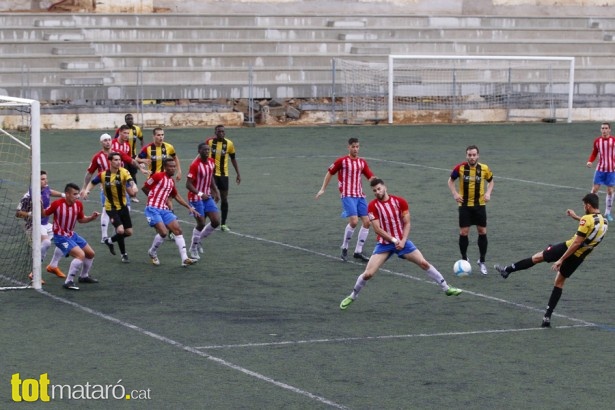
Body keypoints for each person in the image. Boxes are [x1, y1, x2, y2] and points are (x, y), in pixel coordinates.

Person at [340, 179, 462, 310]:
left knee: (424, 263)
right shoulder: (372, 206)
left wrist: (403, 241)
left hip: (402, 242)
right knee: (368, 274)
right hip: (384, 244)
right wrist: (394, 240)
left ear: (385, 187)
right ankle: (353, 296)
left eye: (379, 189)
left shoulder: (400, 201)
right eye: (374, 190)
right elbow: (377, 229)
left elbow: (407, 223)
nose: (377, 192)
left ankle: (446, 288)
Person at [494, 193, 607, 328]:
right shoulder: (604, 222)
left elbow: (576, 243)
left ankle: (507, 270)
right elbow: (589, 226)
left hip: (566, 248)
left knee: (537, 257)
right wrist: (575, 217)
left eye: (584, 206)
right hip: (579, 257)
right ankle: (547, 317)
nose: (584, 208)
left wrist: (561, 259)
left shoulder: (586, 220)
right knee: (559, 283)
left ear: (588, 205)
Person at [316, 137, 375, 262]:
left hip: (360, 195)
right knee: (354, 221)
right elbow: (330, 173)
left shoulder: (362, 162)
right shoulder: (342, 161)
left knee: (367, 222)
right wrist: (323, 189)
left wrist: (379, 187)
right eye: (353, 146)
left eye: (357, 146)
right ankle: (345, 247)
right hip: (347, 195)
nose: (355, 149)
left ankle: (358, 251)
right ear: (348, 147)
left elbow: (370, 176)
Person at [82, 133, 145, 243]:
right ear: (101, 142)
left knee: (126, 207)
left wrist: (141, 169)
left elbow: (131, 161)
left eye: (109, 140)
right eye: (105, 140)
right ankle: (104, 236)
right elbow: (89, 173)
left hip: (121, 186)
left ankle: (118, 229)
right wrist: (84, 188)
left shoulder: (118, 153)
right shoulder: (97, 157)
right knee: (106, 210)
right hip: (106, 188)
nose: (107, 142)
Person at [82, 152, 138, 263]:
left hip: (123, 206)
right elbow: (93, 182)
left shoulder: (124, 172)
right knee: (120, 230)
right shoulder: (103, 175)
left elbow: (130, 180)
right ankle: (124, 254)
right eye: (116, 160)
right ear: (110, 161)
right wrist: (87, 190)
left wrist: (134, 186)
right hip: (111, 208)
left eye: (119, 160)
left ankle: (109, 240)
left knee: (129, 232)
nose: (118, 162)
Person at [142, 157, 198, 267]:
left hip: (164, 209)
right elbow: (144, 187)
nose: (173, 168)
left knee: (178, 230)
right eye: (170, 167)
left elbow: (176, 195)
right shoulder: (157, 176)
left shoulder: (171, 181)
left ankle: (184, 259)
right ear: (165, 167)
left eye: (174, 166)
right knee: (163, 233)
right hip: (152, 208)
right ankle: (152, 252)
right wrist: (152, 197)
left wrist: (189, 207)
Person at [44, 183, 101, 290]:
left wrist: (91, 218)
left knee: (90, 254)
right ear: (67, 194)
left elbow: (81, 220)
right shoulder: (57, 204)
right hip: (60, 237)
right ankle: (68, 282)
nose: (77, 196)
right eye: (74, 194)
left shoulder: (78, 205)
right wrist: (38, 206)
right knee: (80, 255)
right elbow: (44, 214)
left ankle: (84, 276)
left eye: (78, 194)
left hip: (72, 235)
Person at [447, 145, 494, 275]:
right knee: (463, 233)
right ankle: (464, 259)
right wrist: (455, 194)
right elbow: (450, 181)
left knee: (482, 231)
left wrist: (488, 193)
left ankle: (482, 261)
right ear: (466, 155)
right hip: (465, 206)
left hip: (479, 205)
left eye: (474, 155)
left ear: (478, 156)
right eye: (469, 155)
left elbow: (491, 181)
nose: (472, 157)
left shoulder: (484, 168)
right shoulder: (460, 168)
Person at [15, 170, 66, 283]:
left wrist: (63, 195)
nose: (45, 181)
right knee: (47, 243)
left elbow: (50, 191)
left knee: (64, 238)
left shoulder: (45, 188)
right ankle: (35, 272)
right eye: (42, 179)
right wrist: (31, 214)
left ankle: (53, 266)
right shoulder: (29, 196)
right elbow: (18, 213)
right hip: (33, 225)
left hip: (44, 224)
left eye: (45, 178)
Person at [185, 142, 221, 260]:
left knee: (216, 222)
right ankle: (193, 248)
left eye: (208, 149)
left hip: (207, 196)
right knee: (201, 223)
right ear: (199, 151)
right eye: (204, 150)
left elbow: (210, 177)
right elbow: (188, 184)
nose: (207, 151)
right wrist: (200, 193)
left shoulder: (211, 162)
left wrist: (215, 191)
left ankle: (198, 240)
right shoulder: (195, 165)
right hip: (195, 197)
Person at [205, 124, 240, 232]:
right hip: (212, 175)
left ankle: (223, 224)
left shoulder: (229, 144)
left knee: (224, 199)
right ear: (215, 132)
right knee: (211, 197)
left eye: (223, 131)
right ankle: (204, 220)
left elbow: (233, 159)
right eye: (219, 131)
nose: (221, 133)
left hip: (224, 175)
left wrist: (238, 173)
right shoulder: (209, 142)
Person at [586, 122, 615, 221]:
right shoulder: (597, 141)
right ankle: (591, 211)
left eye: (606, 128)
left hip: (611, 170)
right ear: (600, 130)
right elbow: (594, 153)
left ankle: (607, 213)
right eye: (602, 128)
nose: (604, 130)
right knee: (594, 190)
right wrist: (590, 161)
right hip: (600, 169)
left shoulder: (613, 141)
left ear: (609, 130)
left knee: (610, 191)